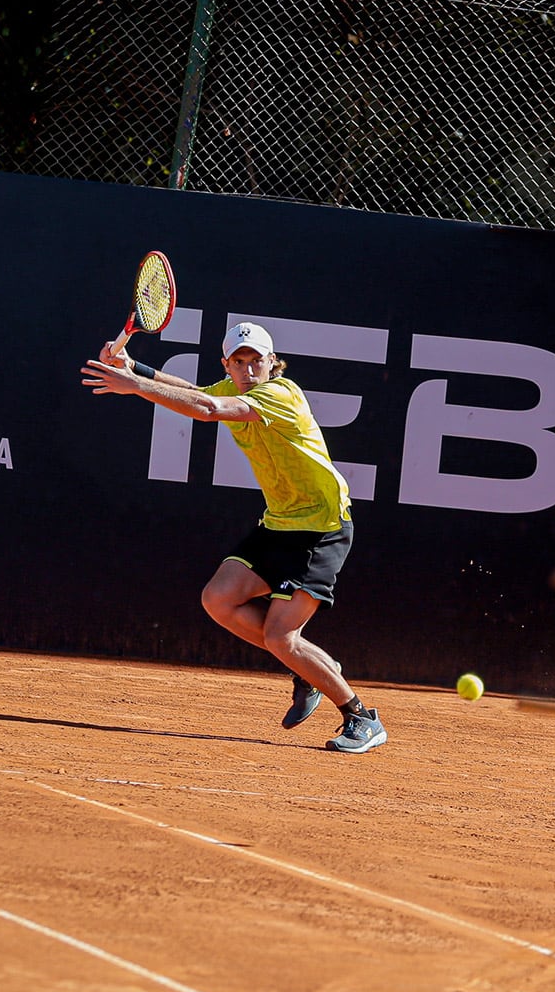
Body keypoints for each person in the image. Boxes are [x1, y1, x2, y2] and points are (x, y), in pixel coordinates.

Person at [80, 320, 388, 754]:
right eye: (238, 362)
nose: (247, 370)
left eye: (255, 361)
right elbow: (196, 390)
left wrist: (132, 384)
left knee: (282, 638)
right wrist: (139, 369)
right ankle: (309, 667)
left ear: (271, 363)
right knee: (218, 599)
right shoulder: (232, 387)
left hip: (321, 529)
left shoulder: (279, 395)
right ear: (227, 364)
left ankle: (360, 716)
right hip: (279, 524)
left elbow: (206, 408)